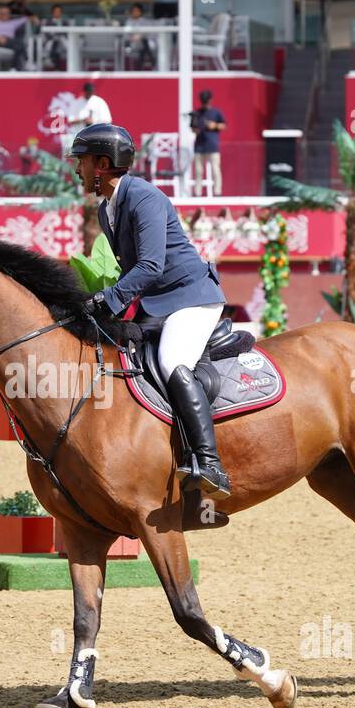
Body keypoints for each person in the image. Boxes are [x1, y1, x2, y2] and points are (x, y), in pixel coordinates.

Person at [68, 123, 231, 496]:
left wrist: (108, 299)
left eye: (82, 161)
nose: (78, 169)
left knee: (173, 361)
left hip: (191, 297)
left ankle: (209, 465)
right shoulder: (106, 209)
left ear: (103, 163)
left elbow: (151, 266)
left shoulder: (144, 197)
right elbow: (134, 273)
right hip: (158, 303)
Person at [190, 90, 226, 195]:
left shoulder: (216, 113)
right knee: (198, 171)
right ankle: (197, 193)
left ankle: (217, 192)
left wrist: (214, 125)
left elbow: (223, 125)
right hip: (199, 146)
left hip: (212, 146)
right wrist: (196, 127)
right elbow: (193, 129)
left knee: (216, 170)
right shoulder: (197, 113)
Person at [0, 4, 28, 70]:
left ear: (9, 14)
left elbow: (25, 19)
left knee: (19, 45)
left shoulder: (12, 22)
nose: (5, 14)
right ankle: (22, 64)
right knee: (19, 44)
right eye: (3, 13)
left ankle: (17, 66)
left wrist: (33, 17)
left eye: (7, 13)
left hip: (11, 42)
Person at [124, 2, 155, 69]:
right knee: (144, 45)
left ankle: (140, 66)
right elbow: (127, 33)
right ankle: (151, 63)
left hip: (144, 41)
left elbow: (148, 32)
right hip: (133, 43)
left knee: (144, 43)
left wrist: (140, 36)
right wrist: (133, 37)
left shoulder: (145, 21)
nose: (136, 12)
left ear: (141, 12)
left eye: (137, 11)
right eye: (134, 11)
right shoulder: (129, 21)